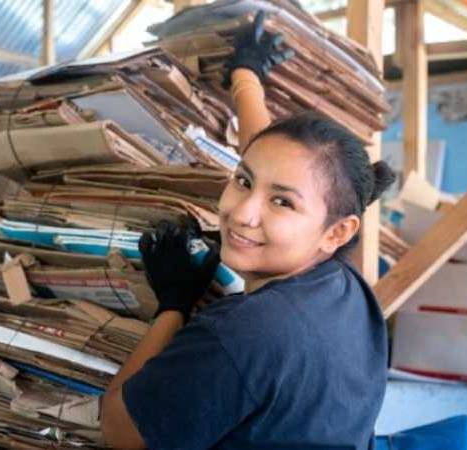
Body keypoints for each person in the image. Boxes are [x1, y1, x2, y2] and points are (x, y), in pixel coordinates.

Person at [99, 11, 394, 450]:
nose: (242, 214)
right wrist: (246, 75)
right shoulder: (344, 289)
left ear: (336, 231)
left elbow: (118, 431)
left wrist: (174, 305)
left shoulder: (241, 335)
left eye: (282, 202)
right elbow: (264, 153)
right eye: (242, 181)